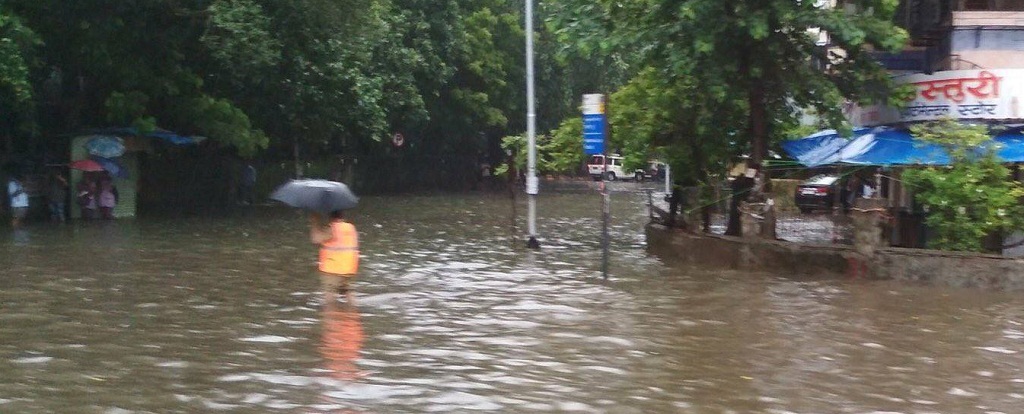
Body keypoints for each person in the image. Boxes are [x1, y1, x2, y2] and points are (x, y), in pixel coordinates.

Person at [310, 210, 359, 303]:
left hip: (333, 270)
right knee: (350, 295)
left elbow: (315, 239)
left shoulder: (333, 228)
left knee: (329, 299)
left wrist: (315, 222)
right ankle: (353, 315)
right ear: (343, 216)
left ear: (330, 217)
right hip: (349, 269)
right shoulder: (351, 228)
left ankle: (329, 315)